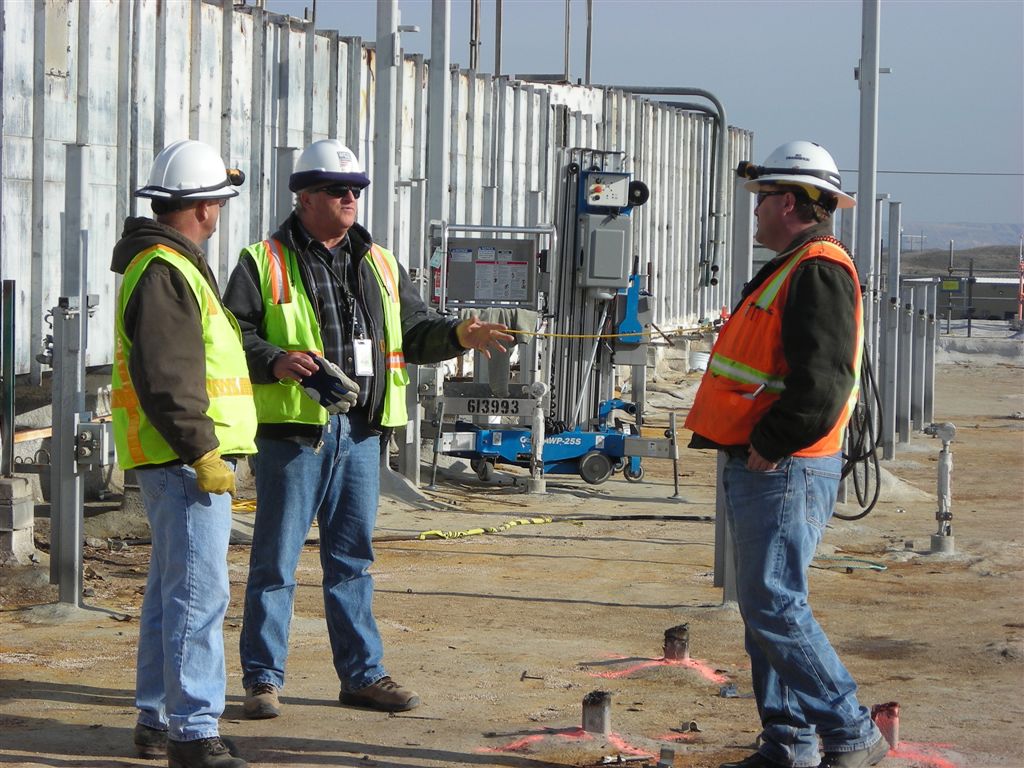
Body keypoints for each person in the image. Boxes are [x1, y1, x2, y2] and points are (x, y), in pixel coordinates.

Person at [222, 139, 513, 719]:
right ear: (304, 197)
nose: (351, 198)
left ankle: (362, 676)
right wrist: (276, 359)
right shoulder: (263, 261)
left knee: (351, 558)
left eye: (356, 189)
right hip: (296, 432)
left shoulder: (379, 261)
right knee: (276, 559)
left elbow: (417, 327)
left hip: (359, 431)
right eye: (338, 189)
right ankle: (262, 681)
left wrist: (459, 335)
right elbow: (234, 336)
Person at [685, 141, 889, 768]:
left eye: (763, 199)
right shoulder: (793, 265)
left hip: (785, 463)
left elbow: (822, 382)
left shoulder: (817, 269)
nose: (755, 212)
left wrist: (771, 447)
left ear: (793, 204)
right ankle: (789, 741)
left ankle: (850, 731)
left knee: (773, 602)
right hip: (769, 461)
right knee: (764, 608)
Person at [110, 140, 256, 768]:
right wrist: (203, 451)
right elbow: (169, 376)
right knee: (198, 597)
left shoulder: (163, 265)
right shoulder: (169, 270)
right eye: (219, 202)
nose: (221, 213)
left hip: (171, 458)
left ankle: (157, 717)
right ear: (201, 207)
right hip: (186, 461)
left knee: (172, 594)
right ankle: (194, 732)